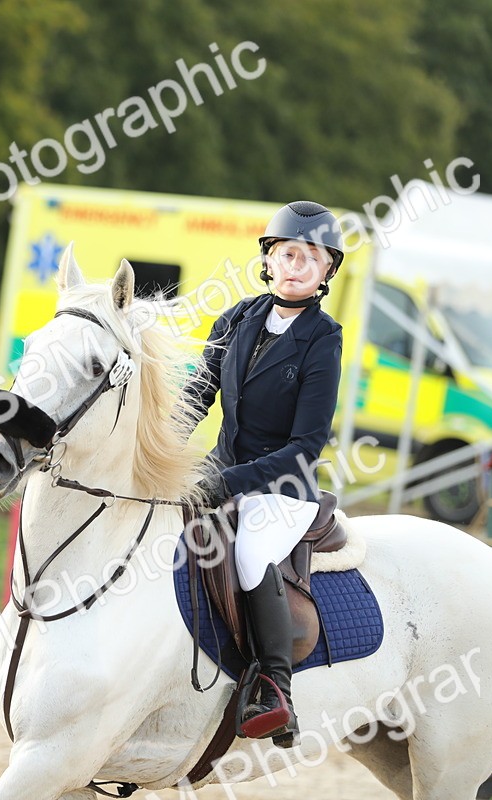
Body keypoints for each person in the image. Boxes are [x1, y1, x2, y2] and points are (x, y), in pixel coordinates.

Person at [181, 200, 345, 747]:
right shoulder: (236, 318)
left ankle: (276, 689)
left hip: (281, 488)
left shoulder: (323, 338)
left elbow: (307, 446)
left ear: (327, 270)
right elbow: (197, 395)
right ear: (269, 259)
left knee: (251, 555)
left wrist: (229, 482)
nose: (297, 266)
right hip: (218, 469)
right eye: (288, 254)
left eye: (311, 258)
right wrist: (161, 448)